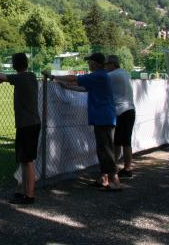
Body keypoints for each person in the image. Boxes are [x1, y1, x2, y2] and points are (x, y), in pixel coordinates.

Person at [44, 52, 121, 191]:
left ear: (97, 63)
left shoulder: (98, 75)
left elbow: (75, 79)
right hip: (102, 117)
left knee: (106, 149)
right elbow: (83, 88)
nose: (88, 64)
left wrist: (53, 77)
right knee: (102, 148)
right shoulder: (100, 76)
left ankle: (114, 181)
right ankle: (104, 179)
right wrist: (66, 87)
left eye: (90, 61)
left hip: (103, 117)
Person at [0, 53, 40, 204]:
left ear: (15, 64)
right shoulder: (30, 76)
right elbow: (10, 79)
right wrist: (6, 80)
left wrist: (3, 78)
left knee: (28, 160)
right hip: (29, 124)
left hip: (27, 125)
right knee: (25, 160)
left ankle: (30, 196)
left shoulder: (20, 78)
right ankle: (26, 192)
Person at [105, 55, 136, 179]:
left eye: (106, 64)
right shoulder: (123, 73)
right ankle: (122, 168)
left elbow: (98, 79)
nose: (105, 67)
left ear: (112, 64)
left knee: (120, 142)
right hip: (129, 110)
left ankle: (123, 169)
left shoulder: (113, 75)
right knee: (122, 142)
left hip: (122, 111)